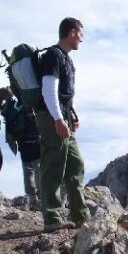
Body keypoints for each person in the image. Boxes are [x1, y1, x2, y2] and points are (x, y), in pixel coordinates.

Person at [35, 17, 92, 232]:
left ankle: (80, 215)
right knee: (53, 165)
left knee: (75, 164)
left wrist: (71, 115)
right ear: (71, 32)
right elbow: (48, 89)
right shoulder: (53, 56)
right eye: (80, 34)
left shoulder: (66, 59)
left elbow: (64, 93)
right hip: (51, 118)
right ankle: (52, 218)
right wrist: (58, 119)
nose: (82, 39)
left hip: (62, 115)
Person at [3, 97, 40, 208]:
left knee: (27, 168)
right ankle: (41, 197)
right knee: (38, 167)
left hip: (22, 140)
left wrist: (12, 141)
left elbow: (8, 123)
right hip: (36, 137)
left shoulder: (13, 103)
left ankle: (31, 197)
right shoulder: (34, 96)